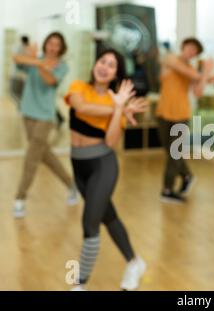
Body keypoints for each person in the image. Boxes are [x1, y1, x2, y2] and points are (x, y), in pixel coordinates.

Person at [65, 48, 149, 291]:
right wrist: (120, 108)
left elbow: (111, 141)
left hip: (103, 165)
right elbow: (81, 108)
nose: (104, 67)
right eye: (102, 61)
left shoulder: (116, 102)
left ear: (116, 74)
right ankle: (134, 262)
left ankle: (79, 284)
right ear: (95, 64)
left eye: (111, 65)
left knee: (90, 222)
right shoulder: (79, 87)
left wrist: (119, 109)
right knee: (108, 216)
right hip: (78, 165)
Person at [12, 32, 77, 218]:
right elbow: (16, 58)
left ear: (61, 48)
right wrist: (36, 60)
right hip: (28, 113)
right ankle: (72, 184)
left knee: (32, 156)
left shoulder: (62, 66)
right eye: (50, 43)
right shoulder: (36, 59)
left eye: (57, 44)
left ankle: (20, 198)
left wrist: (37, 63)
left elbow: (49, 81)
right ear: (45, 44)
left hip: (45, 117)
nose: (52, 47)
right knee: (45, 155)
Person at [156, 37, 214, 204]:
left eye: (195, 52)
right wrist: (205, 74)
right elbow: (186, 72)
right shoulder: (170, 58)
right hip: (163, 112)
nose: (191, 52)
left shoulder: (192, 70)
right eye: (190, 48)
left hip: (181, 115)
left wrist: (204, 78)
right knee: (169, 152)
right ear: (183, 46)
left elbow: (197, 93)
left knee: (174, 153)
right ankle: (187, 175)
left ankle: (167, 189)